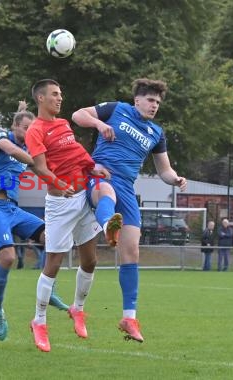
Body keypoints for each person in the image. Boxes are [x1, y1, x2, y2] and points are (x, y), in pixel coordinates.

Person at [72, 78, 187, 342]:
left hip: (127, 186)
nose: (154, 105)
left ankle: (129, 317)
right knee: (106, 193)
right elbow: (78, 114)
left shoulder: (156, 133)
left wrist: (176, 179)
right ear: (137, 100)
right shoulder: (117, 109)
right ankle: (108, 226)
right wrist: (100, 124)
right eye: (150, 100)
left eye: (158, 102)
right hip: (101, 172)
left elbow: (164, 170)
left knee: (132, 251)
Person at [25, 79, 109, 352]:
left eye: (61, 94)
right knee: (54, 264)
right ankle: (39, 321)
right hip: (60, 204)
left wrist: (92, 168)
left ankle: (78, 308)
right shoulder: (35, 130)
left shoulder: (63, 124)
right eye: (54, 94)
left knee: (91, 260)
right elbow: (40, 169)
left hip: (83, 197)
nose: (59, 99)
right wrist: (60, 183)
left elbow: (75, 154)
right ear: (40, 98)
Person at [0, 101, 67, 342]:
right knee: (7, 257)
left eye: (32, 129)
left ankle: (49, 288)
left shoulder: (28, 151)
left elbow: (45, 172)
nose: (29, 132)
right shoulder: (0, 137)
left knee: (52, 238)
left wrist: (62, 181)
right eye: (25, 127)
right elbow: (13, 150)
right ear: (14, 125)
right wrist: (37, 160)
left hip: (13, 209)